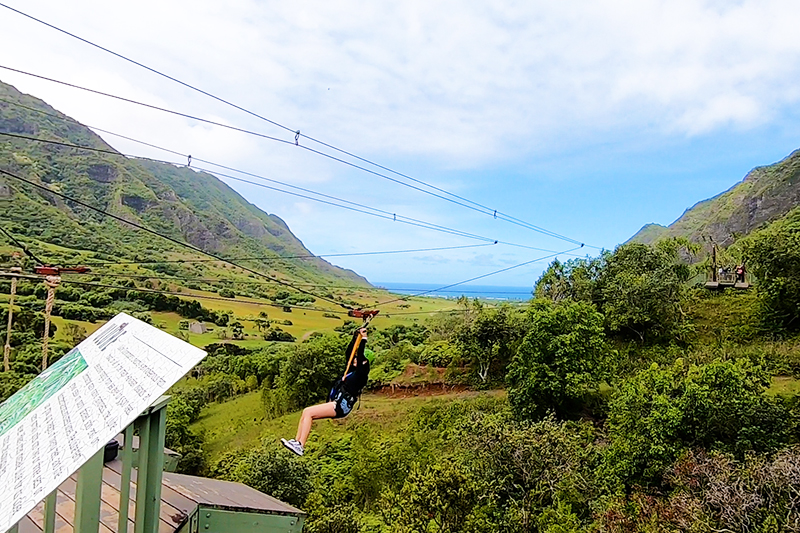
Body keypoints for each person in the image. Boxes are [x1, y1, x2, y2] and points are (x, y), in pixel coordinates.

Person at [281, 327, 371, 456]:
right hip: (338, 403)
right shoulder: (352, 370)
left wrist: (364, 339)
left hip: (341, 405)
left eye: (359, 359)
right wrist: (355, 337)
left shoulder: (362, 375)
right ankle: (297, 442)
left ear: (365, 362)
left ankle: (300, 445)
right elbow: (349, 354)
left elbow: (361, 354)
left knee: (309, 413)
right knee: (306, 412)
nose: (355, 360)